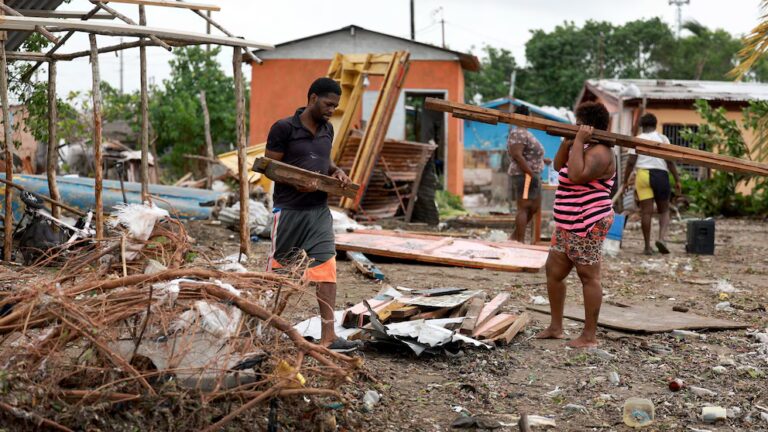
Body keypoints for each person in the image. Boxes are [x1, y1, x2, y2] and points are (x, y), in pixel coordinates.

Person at [263, 77, 359, 352]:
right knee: (281, 274)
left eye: (336, 106)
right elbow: (267, 167)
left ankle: (328, 336)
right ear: (313, 98)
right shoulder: (283, 128)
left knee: (326, 271)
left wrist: (336, 171)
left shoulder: (328, 130)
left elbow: (324, 161)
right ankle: (267, 329)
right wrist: (295, 182)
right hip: (290, 211)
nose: (332, 110)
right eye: (328, 104)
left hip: (318, 211)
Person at [536, 101, 616, 348]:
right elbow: (560, 166)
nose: (574, 126)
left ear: (588, 126)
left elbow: (576, 175)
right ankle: (556, 327)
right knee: (554, 272)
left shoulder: (601, 152)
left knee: (588, 276)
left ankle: (589, 336)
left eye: (578, 122)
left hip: (589, 222)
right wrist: (568, 140)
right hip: (567, 222)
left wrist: (579, 141)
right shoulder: (582, 145)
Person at [620, 113, 681, 255]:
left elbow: (630, 162)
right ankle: (661, 239)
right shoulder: (662, 138)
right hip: (661, 175)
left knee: (646, 212)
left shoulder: (637, 139)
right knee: (664, 210)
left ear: (641, 126)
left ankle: (647, 246)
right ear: (655, 125)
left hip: (643, 175)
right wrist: (677, 179)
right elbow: (670, 161)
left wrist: (625, 181)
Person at [507, 105, 546, 243]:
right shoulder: (518, 132)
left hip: (531, 174)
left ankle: (515, 237)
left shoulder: (524, 132)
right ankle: (520, 241)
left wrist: (542, 161)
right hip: (525, 175)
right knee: (524, 207)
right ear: (525, 117)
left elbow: (528, 154)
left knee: (534, 207)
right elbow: (517, 155)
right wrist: (530, 173)